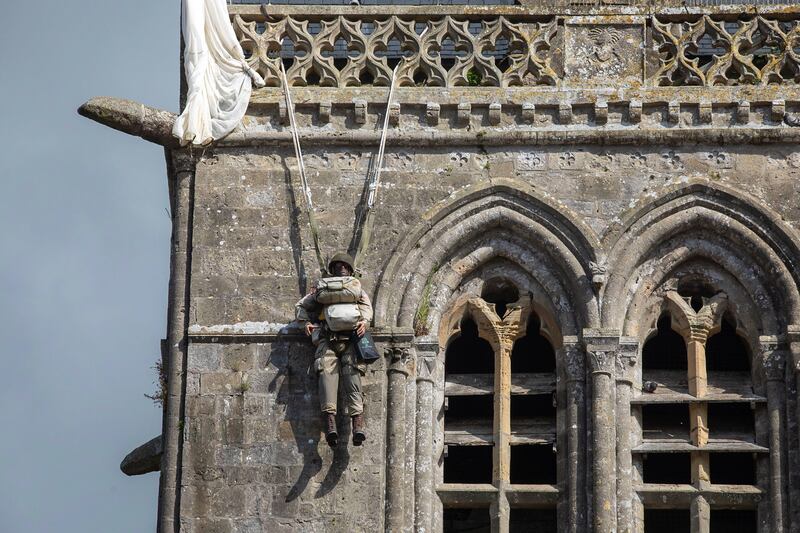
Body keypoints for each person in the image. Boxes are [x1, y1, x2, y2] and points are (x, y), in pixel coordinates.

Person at [295, 253, 372, 447]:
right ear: (333, 269)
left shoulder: (353, 289)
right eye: (338, 266)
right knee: (327, 378)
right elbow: (302, 306)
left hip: (350, 340)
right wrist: (305, 323)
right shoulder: (323, 289)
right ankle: (332, 425)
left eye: (344, 266)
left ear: (350, 269)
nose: (341, 269)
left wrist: (365, 322)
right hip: (328, 338)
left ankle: (357, 425)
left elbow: (366, 309)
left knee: (351, 377)